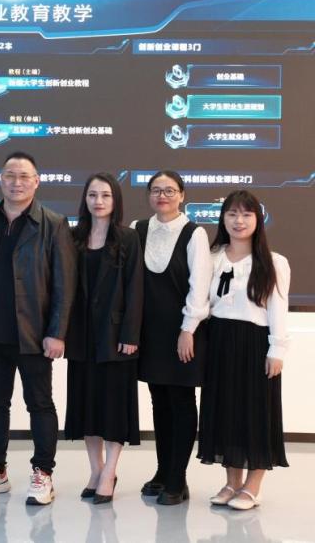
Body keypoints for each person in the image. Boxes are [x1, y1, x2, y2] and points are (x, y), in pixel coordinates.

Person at [0, 151, 76, 506]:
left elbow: (64, 284)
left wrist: (57, 331)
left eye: (24, 176)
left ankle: (43, 473)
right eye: (10, 175)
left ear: (36, 182)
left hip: (34, 335)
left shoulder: (53, 224)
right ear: (0, 179)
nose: (16, 182)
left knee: (40, 404)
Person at [198, 190, 290, 511]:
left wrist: (277, 349)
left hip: (255, 343)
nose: (239, 221)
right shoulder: (212, 257)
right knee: (225, 411)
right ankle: (231, 482)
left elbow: (278, 308)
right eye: (232, 214)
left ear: (257, 219)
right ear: (223, 219)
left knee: (256, 412)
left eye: (246, 214)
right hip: (219, 340)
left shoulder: (273, 262)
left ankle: (253, 486)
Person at [131, 170, 212, 505]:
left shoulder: (195, 233)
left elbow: (200, 285)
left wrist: (187, 329)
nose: (162, 196)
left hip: (182, 333)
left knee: (181, 401)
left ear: (182, 195)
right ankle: (163, 472)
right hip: (149, 332)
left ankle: (178, 478)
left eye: (169, 190)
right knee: (159, 401)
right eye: (155, 190)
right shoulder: (138, 228)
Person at [63, 173, 144, 504]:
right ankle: (96, 470)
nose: (98, 201)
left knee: (113, 409)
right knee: (87, 407)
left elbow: (135, 287)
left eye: (105, 195)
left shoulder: (128, 238)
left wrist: (130, 333)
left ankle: (110, 472)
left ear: (115, 200)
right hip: (81, 337)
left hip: (115, 337)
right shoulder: (73, 237)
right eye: (92, 195)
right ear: (84, 199)